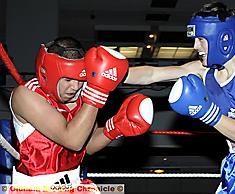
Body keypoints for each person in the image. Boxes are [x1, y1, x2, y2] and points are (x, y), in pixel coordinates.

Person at [124, 1, 235, 193]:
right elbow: (153, 75)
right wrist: (114, 74)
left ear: (222, 38)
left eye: (201, 39)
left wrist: (206, 112)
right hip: (234, 163)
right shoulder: (204, 70)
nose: (195, 46)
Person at [9, 37, 154, 188]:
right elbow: (73, 141)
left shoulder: (80, 96)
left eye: (80, 79)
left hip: (74, 185)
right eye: (68, 80)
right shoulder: (26, 95)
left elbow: (87, 145)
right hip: (35, 189)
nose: (75, 87)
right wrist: (97, 91)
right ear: (47, 73)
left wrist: (115, 127)